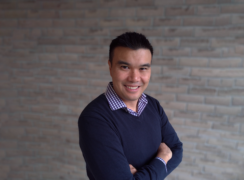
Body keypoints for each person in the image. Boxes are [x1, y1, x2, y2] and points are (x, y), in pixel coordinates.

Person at [78, 32, 183, 180]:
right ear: (110, 67)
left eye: (143, 68)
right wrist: (162, 158)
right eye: (125, 67)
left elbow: (176, 150)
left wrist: (139, 176)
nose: (134, 78)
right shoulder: (94, 119)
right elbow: (169, 153)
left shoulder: (153, 105)